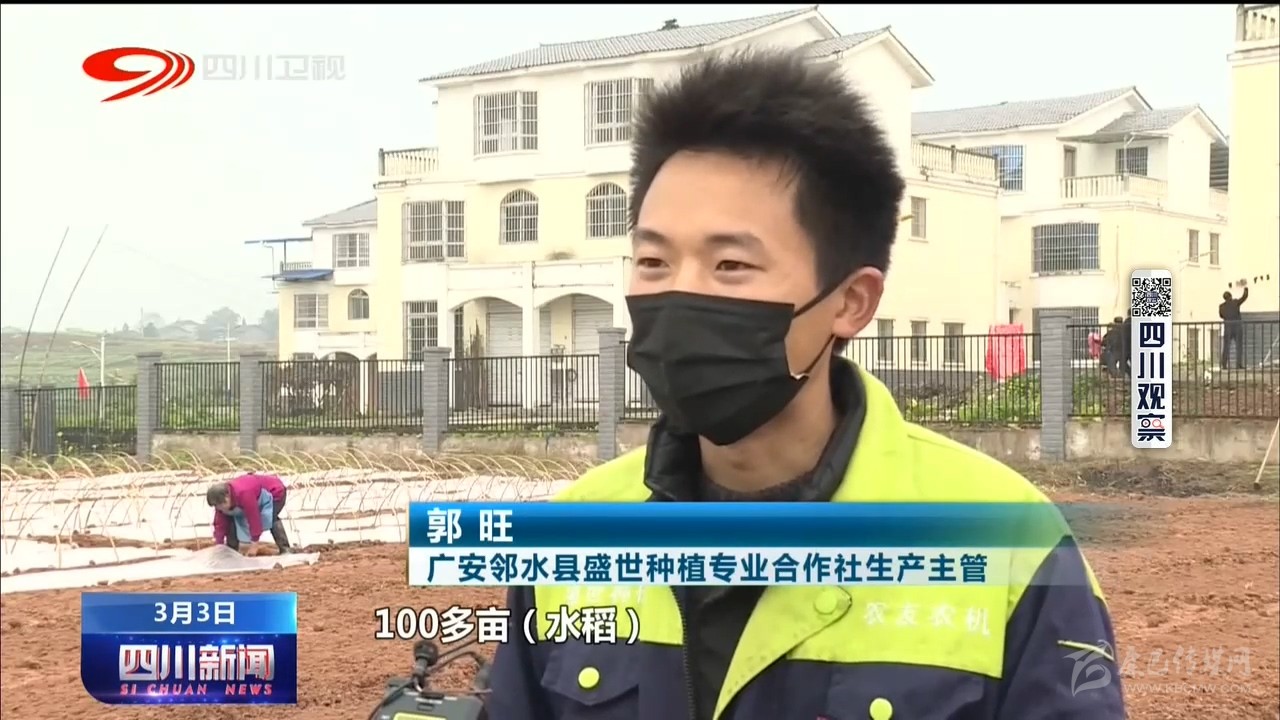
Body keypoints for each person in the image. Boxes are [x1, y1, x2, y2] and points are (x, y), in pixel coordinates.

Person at [487, 49, 1126, 720]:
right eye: (653, 260)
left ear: (850, 302)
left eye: (730, 265)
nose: (680, 294)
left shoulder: (1008, 540)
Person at [206, 472, 291, 556]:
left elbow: (254, 518)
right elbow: (220, 525)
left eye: (221, 505)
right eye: (217, 506)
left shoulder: (244, 493)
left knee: (269, 518)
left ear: (227, 496)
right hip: (253, 497)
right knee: (230, 519)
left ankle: (285, 549)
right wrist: (219, 546)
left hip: (274, 491)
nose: (220, 509)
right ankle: (233, 550)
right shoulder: (220, 502)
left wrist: (254, 545)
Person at [1219, 281, 1249, 370]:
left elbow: (1221, 315)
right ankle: (1238, 365)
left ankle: (1224, 365)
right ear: (1230, 296)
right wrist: (1246, 289)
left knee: (1226, 347)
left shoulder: (1221, 306)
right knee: (1238, 346)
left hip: (1228, 327)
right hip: (1237, 327)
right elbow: (1244, 297)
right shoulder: (1235, 302)